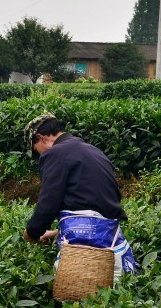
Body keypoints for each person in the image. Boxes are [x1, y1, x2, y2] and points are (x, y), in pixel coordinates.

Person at [22, 114, 137, 280]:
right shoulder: (93, 151)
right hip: (110, 237)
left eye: (35, 149)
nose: (39, 155)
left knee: (74, 297)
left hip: (82, 247)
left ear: (40, 138)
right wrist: (56, 233)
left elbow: (48, 202)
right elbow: (94, 208)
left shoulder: (55, 153)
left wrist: (32, 232)